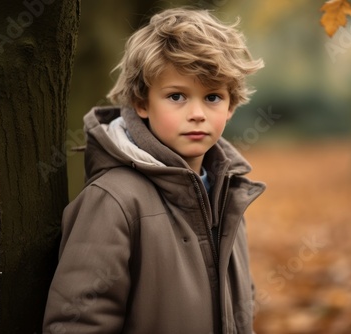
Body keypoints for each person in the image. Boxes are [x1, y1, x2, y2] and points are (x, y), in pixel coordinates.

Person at [42, 6, 265, 334]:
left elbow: (242, 306)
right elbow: (78, 323)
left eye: (213, 97)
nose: (197, 113)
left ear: (231, 106)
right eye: (177, 96)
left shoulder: (229, 192)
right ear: (141, 102)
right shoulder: (113, 201)